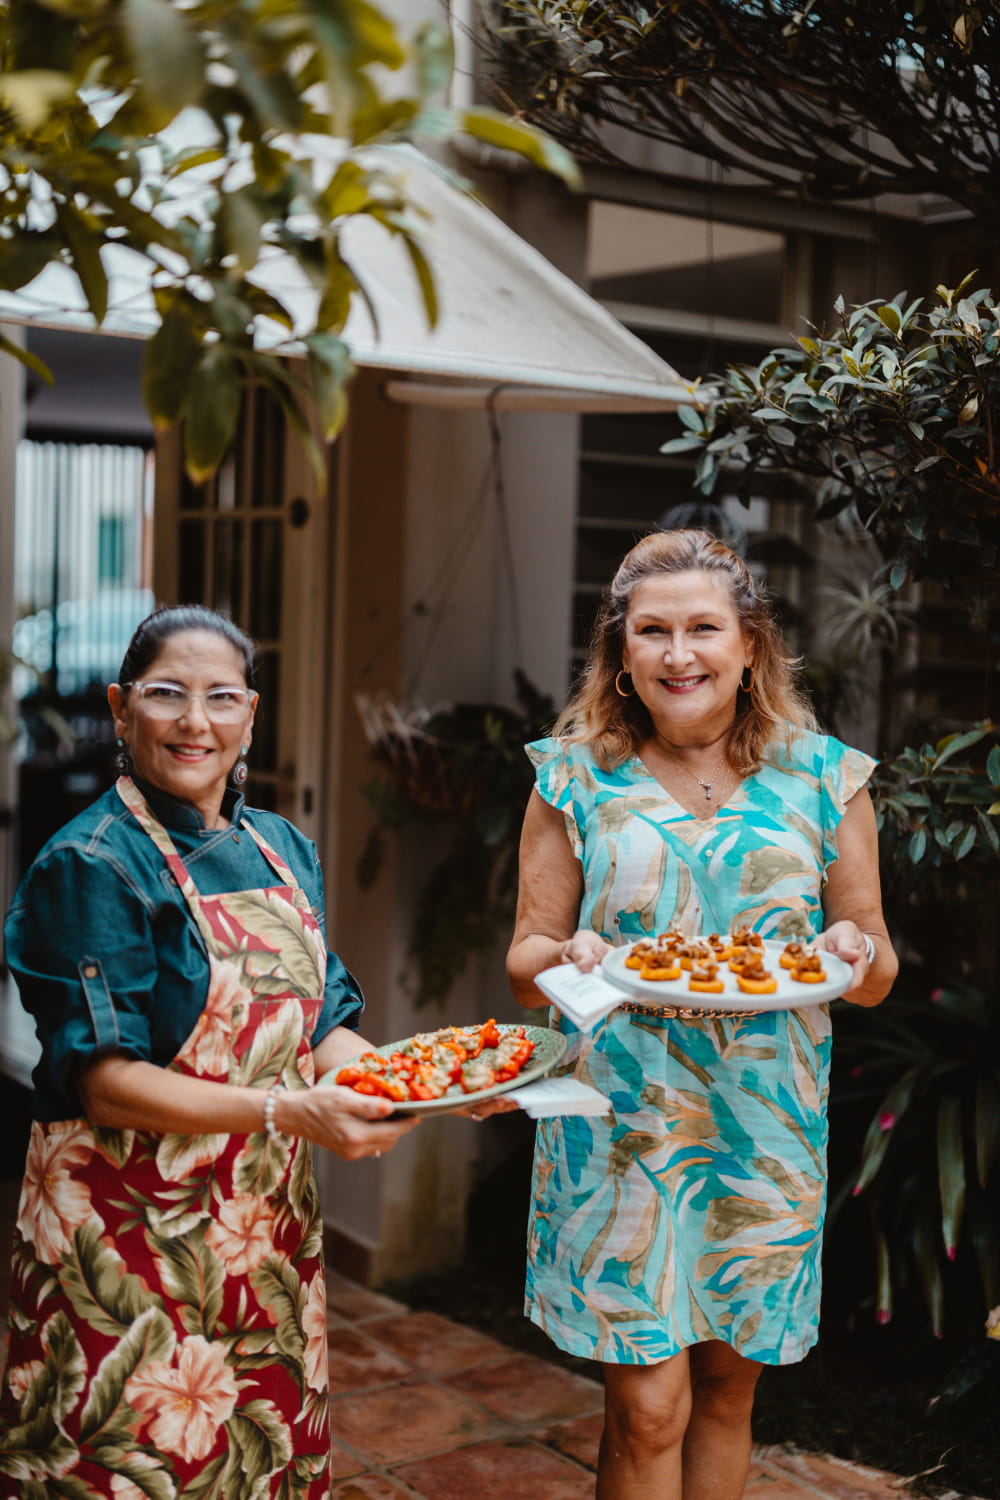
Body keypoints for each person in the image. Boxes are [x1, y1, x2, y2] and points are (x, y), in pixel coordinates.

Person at [507, 530, 898, 1500]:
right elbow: (524, 964)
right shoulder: (571, 776)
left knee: (725, 1400)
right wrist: (571, 956)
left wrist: (853, 955)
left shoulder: (825, 779)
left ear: (750, 644)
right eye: (652, 631)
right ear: (620, 653)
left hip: (762, 1132)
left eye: (702, 629)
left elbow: (875, 963)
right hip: (617, 1134)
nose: (679, 654)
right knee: (647, 1410)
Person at [0, 605, 419, 1498]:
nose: (197, 722)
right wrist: (288, 1110)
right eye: (167, 695)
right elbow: (106, 1083)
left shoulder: (281, 847)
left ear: (251, 715)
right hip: (125, 1246)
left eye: (221, 697)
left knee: (257, 1470)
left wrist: (422, 1085)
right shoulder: (93, 865)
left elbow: (322, 1022)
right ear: (120, 709)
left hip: (260, 1241)